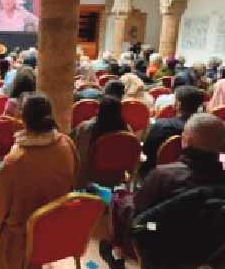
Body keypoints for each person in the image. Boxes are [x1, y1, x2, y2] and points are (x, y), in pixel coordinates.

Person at [0, 93, 77, 269]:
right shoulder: (67, 144)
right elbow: (72, 183)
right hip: (55, 230)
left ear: (23, 119)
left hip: (20, 243)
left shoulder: (15, 162)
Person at [101, 113, 225, 269]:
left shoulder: (164, 175)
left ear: (186, 140)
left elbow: (139, 213)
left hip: (160, 236)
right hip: (207, 246)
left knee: (120, 198)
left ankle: (116, 252)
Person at [141, 85, 204, 175]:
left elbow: (147, 152)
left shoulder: (160, 125)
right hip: (195, 174)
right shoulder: (205, 129)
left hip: (159, 174)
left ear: (178, 104)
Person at [74, 96, 129, 187]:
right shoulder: (126, 131)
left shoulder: (86, 129)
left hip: (91, 177)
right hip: (116, 176)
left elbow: (80, 157)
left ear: (98, 111)